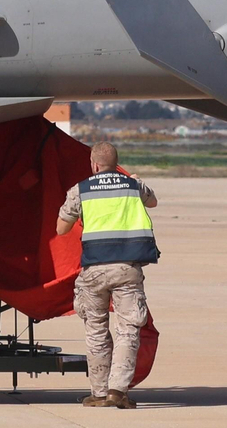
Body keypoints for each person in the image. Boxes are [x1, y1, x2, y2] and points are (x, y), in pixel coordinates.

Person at [56, 141, 159, 409]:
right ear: (116, 163)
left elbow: (61, 229)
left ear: (94, 164)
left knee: (96, 331)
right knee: (127, 330)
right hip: (127, 268)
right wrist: (137, 182)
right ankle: (118, 390)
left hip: (94, 270)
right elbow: (154, 202)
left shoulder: (81, 190)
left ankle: (99, 394)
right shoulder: (133, 186)